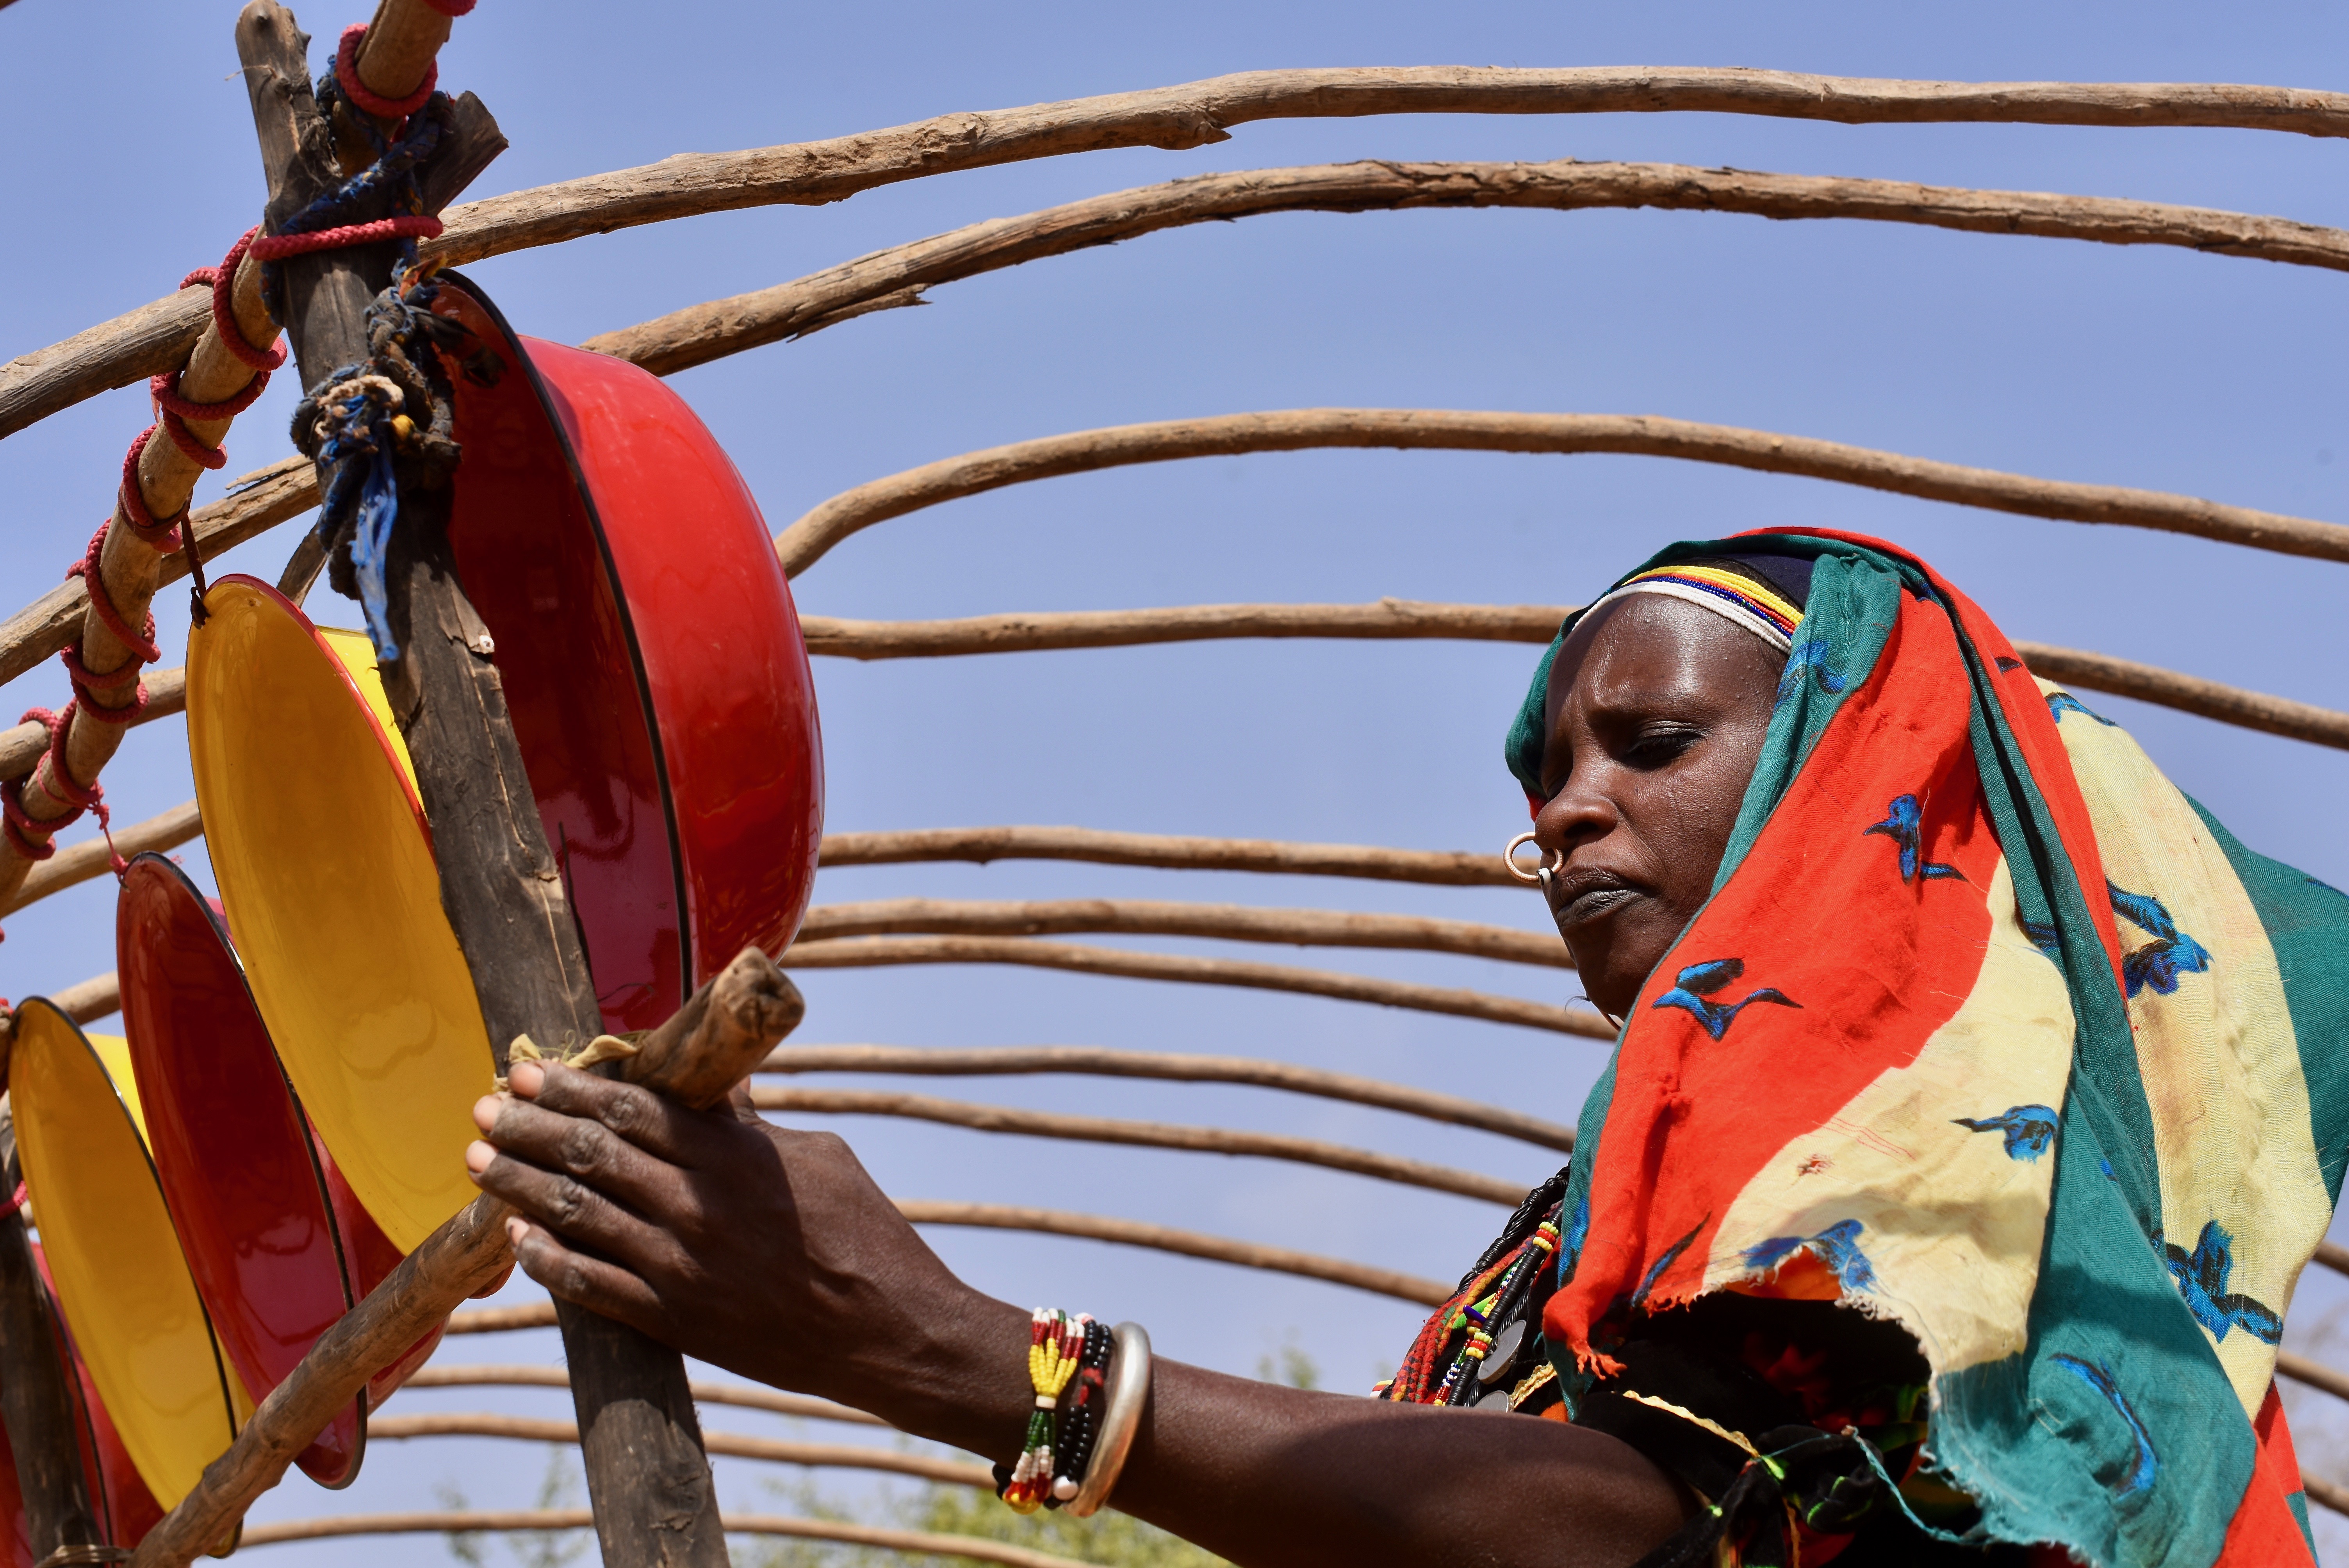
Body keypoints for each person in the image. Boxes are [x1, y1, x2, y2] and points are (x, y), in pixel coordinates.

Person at [467, 529, 2348, 1568]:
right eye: (1543, 781)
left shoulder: (1960, 1180)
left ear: (1845, 776)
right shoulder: (1594, 1225)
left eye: (1647, 744)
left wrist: (959, 1354)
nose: (1566, 815)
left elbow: (1623, 1532)